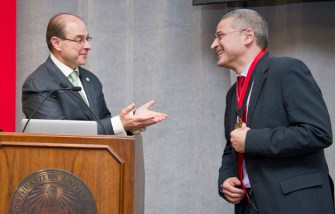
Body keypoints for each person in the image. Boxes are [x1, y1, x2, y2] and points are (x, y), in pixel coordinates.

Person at [211, 9, 334, 214]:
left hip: (294, 205)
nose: (213, 44)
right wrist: (225, 177)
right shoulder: (233, 93)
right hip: (249, 207)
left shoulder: (287, 70)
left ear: (248, 35)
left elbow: (317, 132)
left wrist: (251, 141)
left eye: (220, 36)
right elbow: (232, 143)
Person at [22, 13, 167, 135]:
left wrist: (131, 123)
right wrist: (120, 123)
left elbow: (104, 126)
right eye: (79, 40)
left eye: (87, 39)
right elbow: (60, 135)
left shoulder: (91, 79)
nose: (87, 46)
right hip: (61, 168)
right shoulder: (37, 84)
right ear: (56, 43)